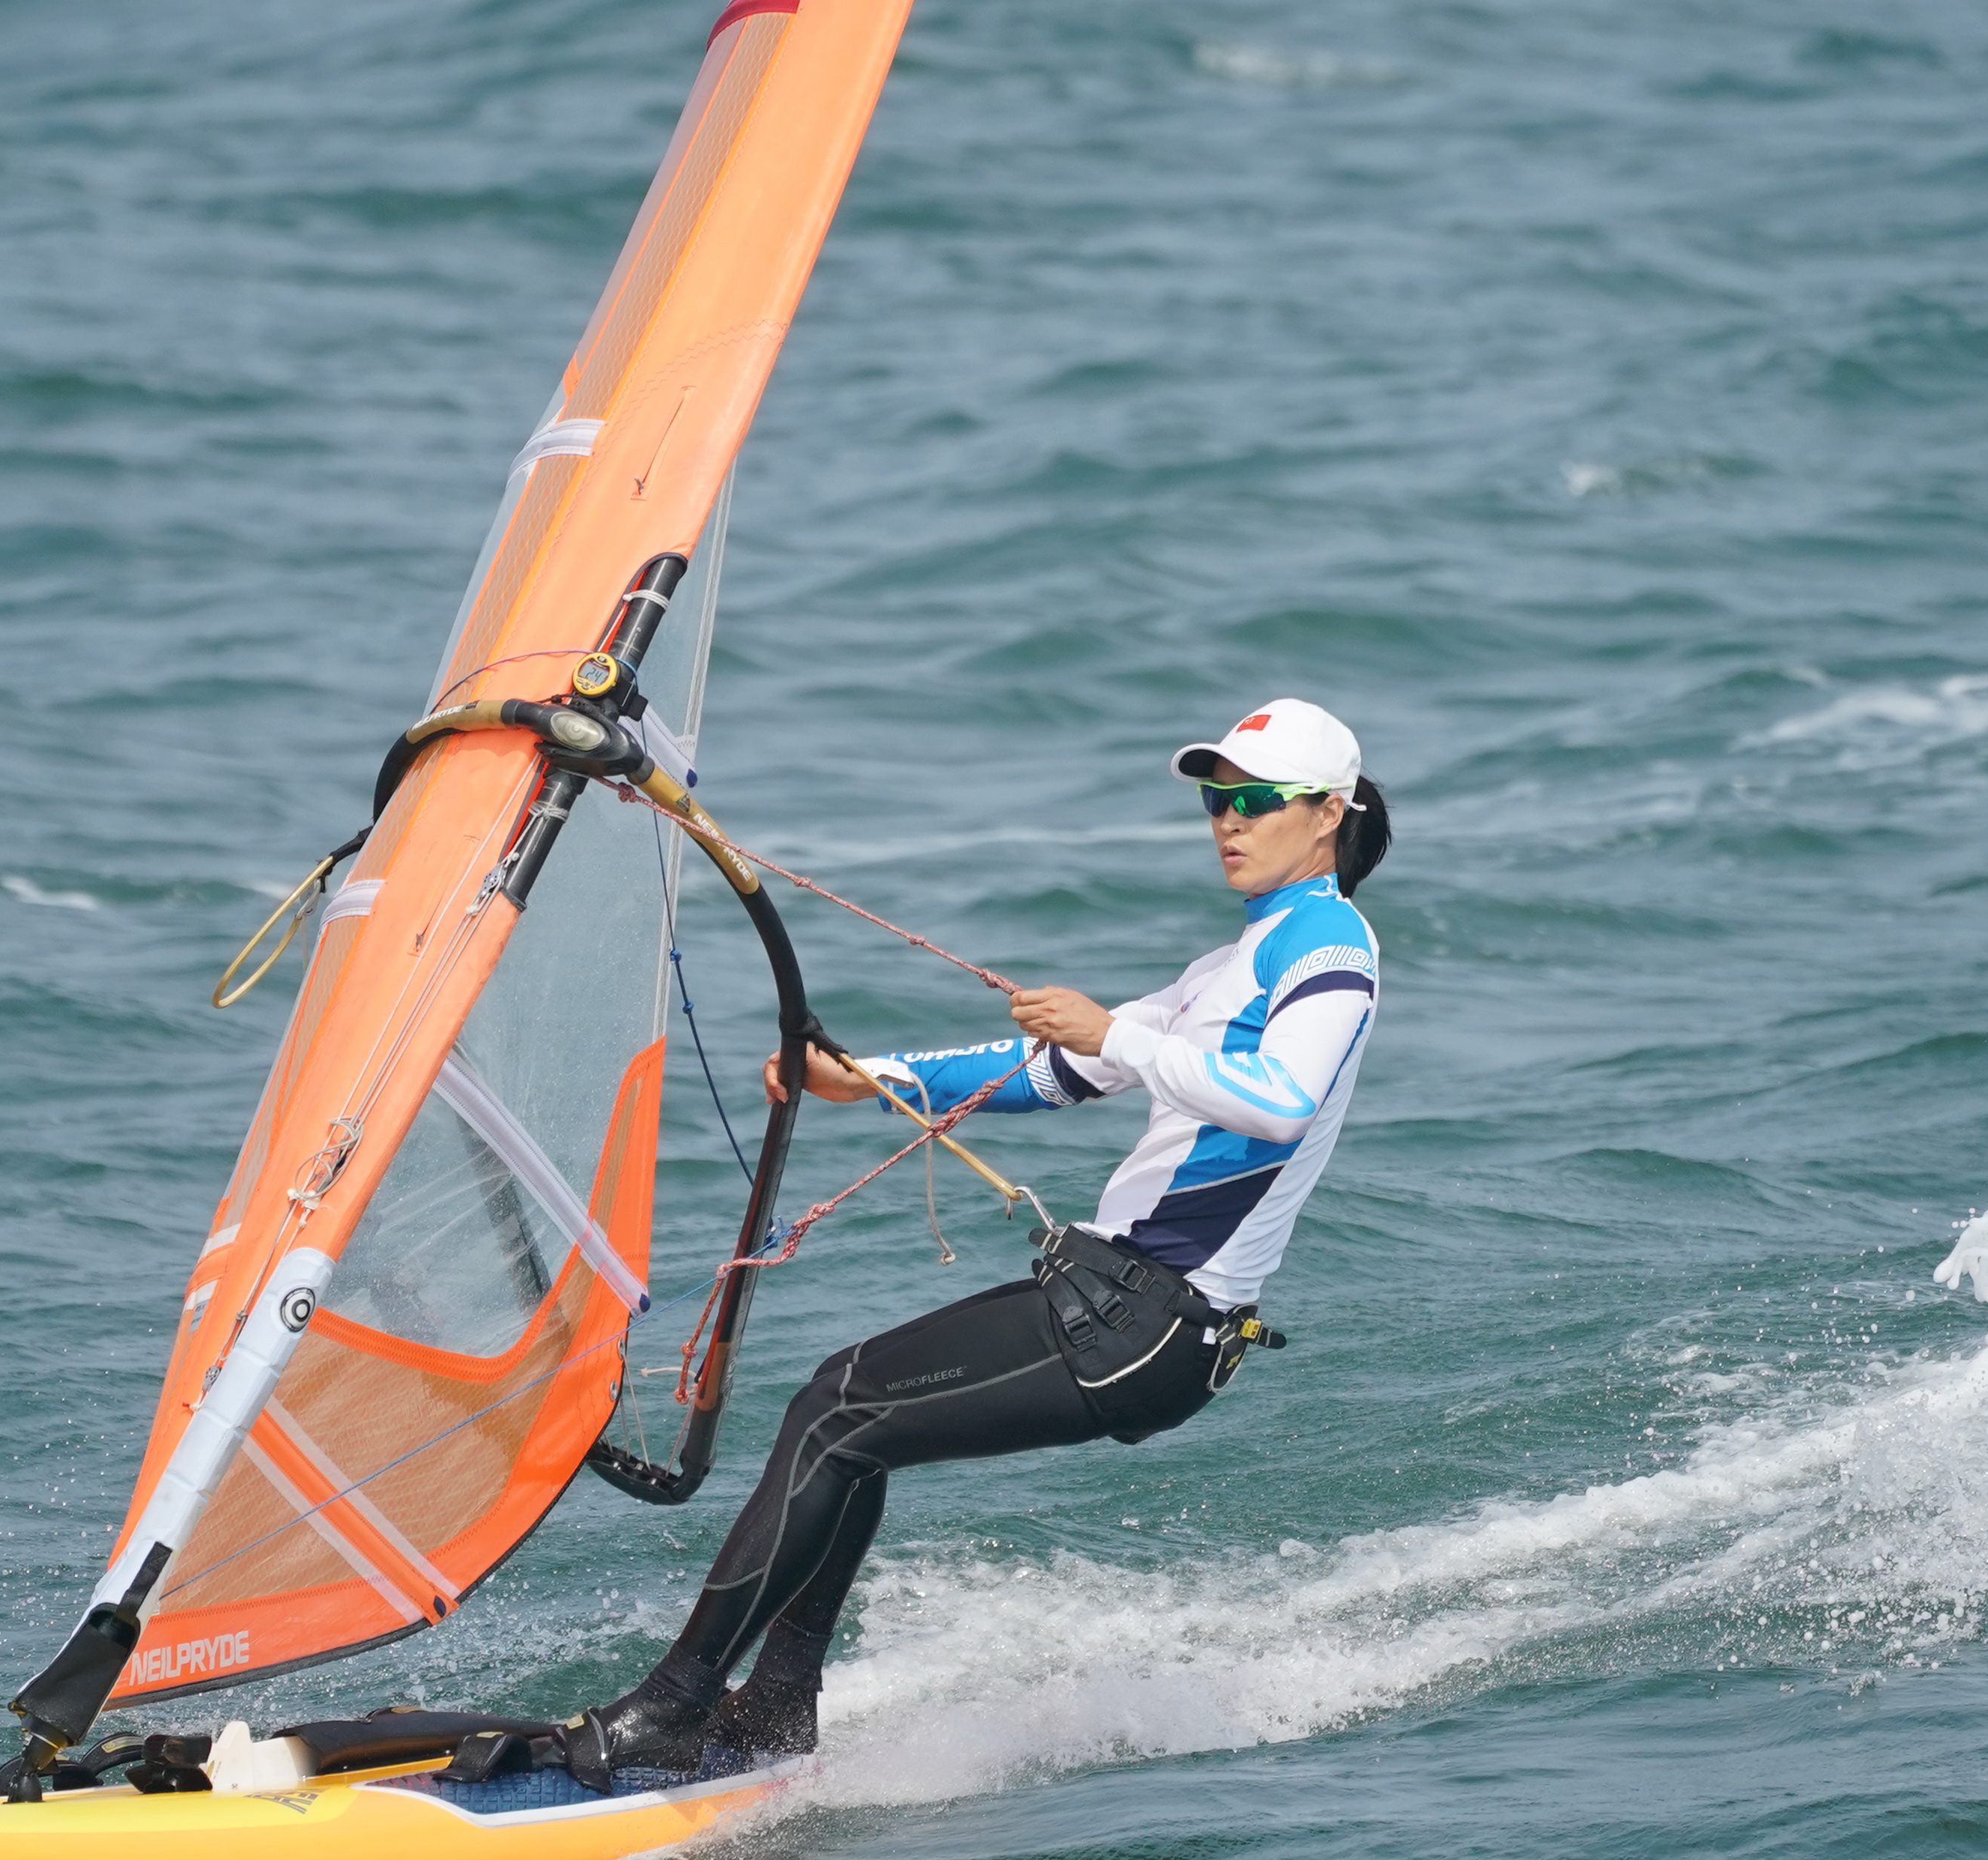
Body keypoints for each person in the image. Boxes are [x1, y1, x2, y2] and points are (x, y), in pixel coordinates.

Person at [560, 697, 1390, 1788]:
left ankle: (677, 1706)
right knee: (848, 1410)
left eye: (1255, 801)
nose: (1227, 821)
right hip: (1118, 1302)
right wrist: (871, 1080)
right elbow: (1057, 1072)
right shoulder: (1229, 964)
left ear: (1328, 814)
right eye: (1214, 799)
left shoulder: (1332, 950)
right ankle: (770, 1709)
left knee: (835, 1414)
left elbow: (1279, 1102)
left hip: (1150, 1324)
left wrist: (1120, 1030)